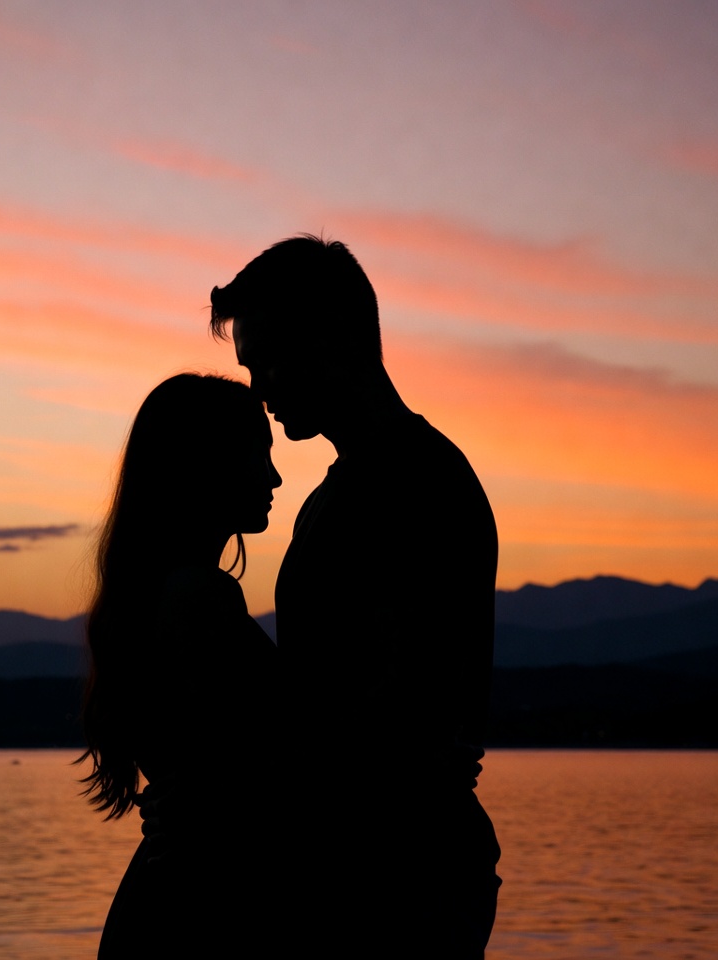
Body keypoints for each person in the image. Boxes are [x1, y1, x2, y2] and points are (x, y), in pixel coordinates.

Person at [210, 235, 501, 956]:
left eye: (267, 362)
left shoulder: (422, 484)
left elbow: (412, 708)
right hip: (351, 866)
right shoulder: (333, 497)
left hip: (403, 881)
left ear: (330, 338)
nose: (259, 392)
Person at [77, 373, 282, 956]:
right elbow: (248, 768)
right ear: (206, 464)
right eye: (257, 455)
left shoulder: (156, 592)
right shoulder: (199, 596)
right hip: (198, 910)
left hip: (172, 896)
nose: (274, 476)